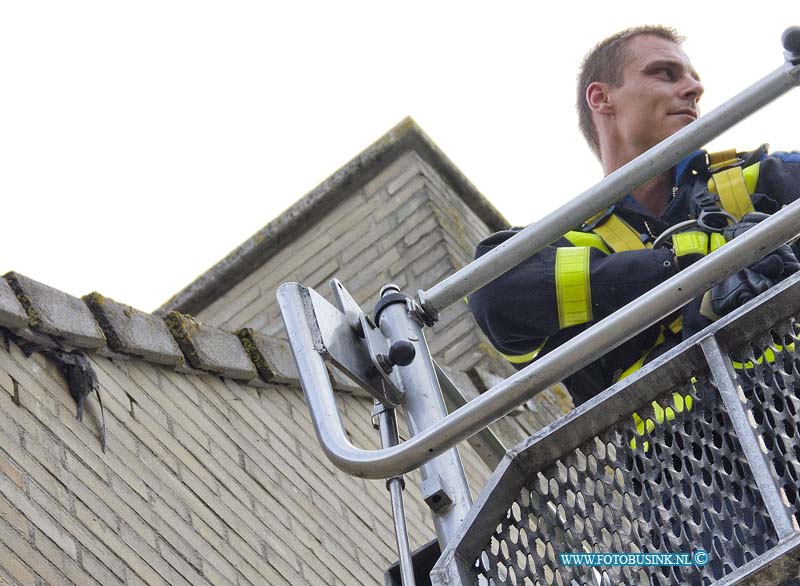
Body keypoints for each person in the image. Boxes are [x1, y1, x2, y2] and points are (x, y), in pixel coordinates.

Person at [468, 26, 800, 406]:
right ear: (601, 97)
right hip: (680, 459)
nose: (694, 90)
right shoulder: (572, 240)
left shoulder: (755, 180)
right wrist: (696, 267)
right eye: (666, 73)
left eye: (693, 80)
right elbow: (494, 295)